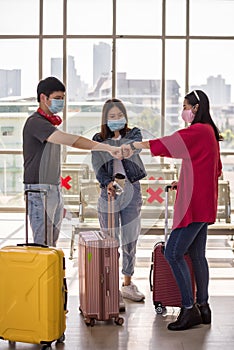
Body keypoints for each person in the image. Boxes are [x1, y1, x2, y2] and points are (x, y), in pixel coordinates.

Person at [121, 90, 222, 330]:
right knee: (197, 256)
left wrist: (135, 144)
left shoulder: (198, 131)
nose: (183, 110)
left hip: (194, 206)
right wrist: (184, 182)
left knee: (173, 253)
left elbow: (170, 144)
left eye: (186, 105)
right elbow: (211, 168)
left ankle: (189, 309)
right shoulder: (210, 132)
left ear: (195, 108)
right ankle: (203, 307)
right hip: (204, 203)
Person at [23, 77, 122, 247]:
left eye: (62, 98)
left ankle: (52, 274)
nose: (61, 102)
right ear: (43, 98)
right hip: (38, 191)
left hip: (53, 189)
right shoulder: (36, 123)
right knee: (42, 244)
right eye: (57, 98)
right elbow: (72, 141)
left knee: (51, 243)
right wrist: (105, 148)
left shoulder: (49, 124)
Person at [91, 98, 147, 304]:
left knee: (130, 239)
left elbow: (134, 148)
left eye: (119, 116)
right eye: (112, 116)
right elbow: (97, 166)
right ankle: (111, 288)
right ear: (105, 119)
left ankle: (127, 284)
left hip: (131, 189)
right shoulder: (97, 139)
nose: (116, 119)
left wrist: (116, 146)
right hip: (109, 192)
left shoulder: (133, 134)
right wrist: (107, 183)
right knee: (109, 241)